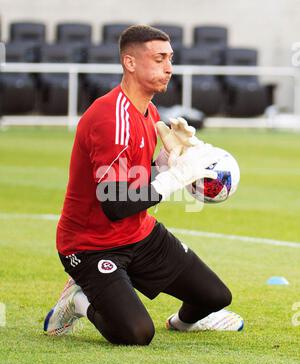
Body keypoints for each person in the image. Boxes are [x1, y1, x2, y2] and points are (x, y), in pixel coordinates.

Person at [43, 25, 243, 345]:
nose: (169, 67)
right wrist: (176, 177)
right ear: (130, 63)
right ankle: (78, 301)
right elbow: (114, 203)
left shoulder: (149, 111)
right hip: (90, 245)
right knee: (137, 333)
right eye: (160, 58)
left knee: (215, 296)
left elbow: (131, 177)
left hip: (139, 234)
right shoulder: (111, 118)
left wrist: (167, 160)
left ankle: (182, 324)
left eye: (170, 58)